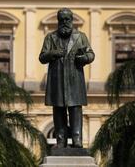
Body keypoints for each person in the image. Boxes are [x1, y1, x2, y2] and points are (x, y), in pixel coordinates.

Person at [39, 8, 94, 148]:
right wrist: (53, 53)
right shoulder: (50, 38)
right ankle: (61, 141)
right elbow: (42, 57)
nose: (64, 22)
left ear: (72, 20)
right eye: (62, 20)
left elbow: (91, 54)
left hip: (74, 80)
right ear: (58, 21)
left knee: (75, 109)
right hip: (56, 81)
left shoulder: (81, 37)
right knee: (58, 110)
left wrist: (84, 58)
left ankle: (77, 141)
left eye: (67, 19)